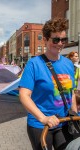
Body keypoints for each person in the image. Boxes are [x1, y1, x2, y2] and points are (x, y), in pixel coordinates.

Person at [19, 18, 78, 150]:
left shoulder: (68, 64)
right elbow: (24, 95)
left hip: (64, 122)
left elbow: (71, 92)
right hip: (41, 125)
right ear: (45, 39)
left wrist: (74, 113)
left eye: (63, 39)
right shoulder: (34, 64)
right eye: (55, 40)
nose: (60, 43)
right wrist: (43, 118)